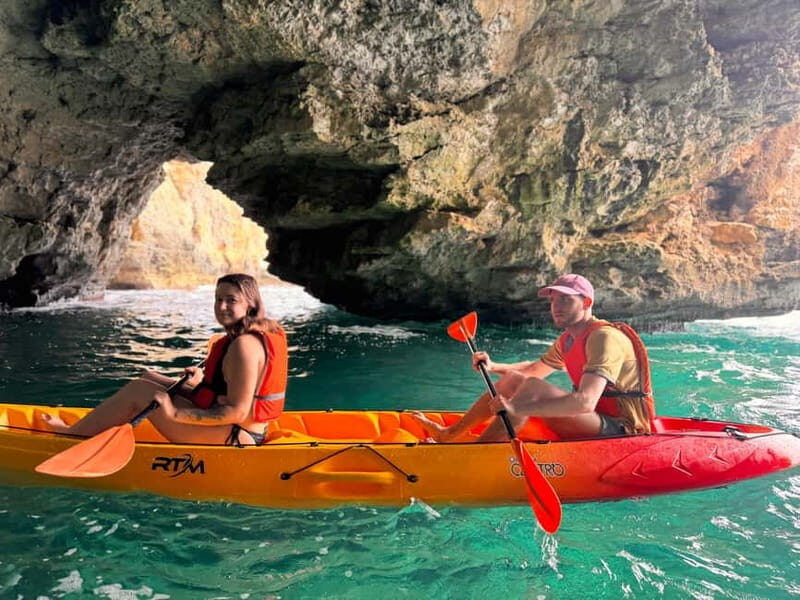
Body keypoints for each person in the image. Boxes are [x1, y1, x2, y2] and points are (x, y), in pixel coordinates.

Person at [42, 273, 288, 446]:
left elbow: (236, 411)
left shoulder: (244, 345)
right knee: (148, 378)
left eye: (231, 300)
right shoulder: (243, 336)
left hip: (235, 435)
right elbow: (231, 388)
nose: (221, 306)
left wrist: (174, 414)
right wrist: (202, 380)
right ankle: (92, 427)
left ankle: (71, 437)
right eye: (218, 298)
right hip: (235, 427)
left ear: (250, 305)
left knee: (140, 392)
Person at [413, 274, 654, 441]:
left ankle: (477, 454)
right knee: (514, 381)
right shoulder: (568, 339)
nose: (556, 306)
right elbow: (534, 368)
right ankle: (449, 434)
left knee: (531, 389)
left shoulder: (604, 337)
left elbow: (584, 402)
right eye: (553, 300)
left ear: (587, 302)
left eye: (565, 299)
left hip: (620, 429)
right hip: (593, 420)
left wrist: (515, 407)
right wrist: (494, 366)